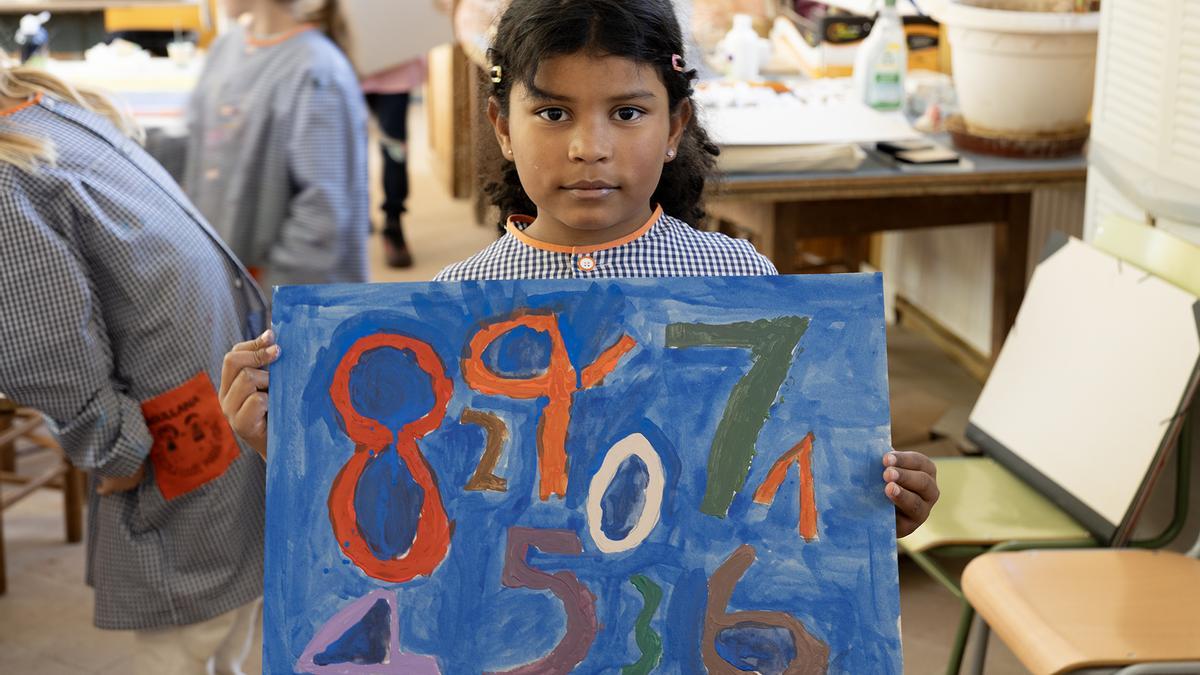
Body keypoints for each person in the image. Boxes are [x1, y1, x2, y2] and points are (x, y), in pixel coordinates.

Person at [219, 0, 938, 537]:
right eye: (554, 112)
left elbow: (781, 468)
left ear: (674, 129)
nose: (589, 146)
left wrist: (869, 500)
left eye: (627, 112)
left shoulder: (738, 279)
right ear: (503, 127)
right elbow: (415, 507)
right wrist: (292, 449)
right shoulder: (453, 304)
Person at [0, 66, 268, 674]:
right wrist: (114, 445)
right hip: (165, 431)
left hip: (210, 389)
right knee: (185, 632)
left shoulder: (39, 105)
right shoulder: (7, 171)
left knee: (231, 611)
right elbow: (45, 344)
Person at [183, 0, 368, 288]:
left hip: (285, 303)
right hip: (228, 284)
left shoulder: (316, 71)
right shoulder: (225, 47)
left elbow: (321, 214)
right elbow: (200, 147)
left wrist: (269, 301)